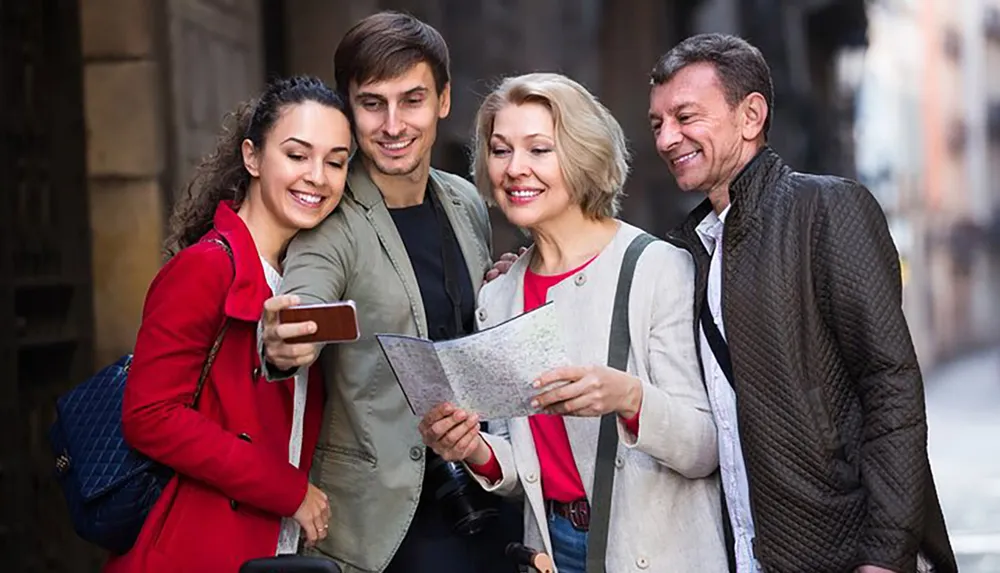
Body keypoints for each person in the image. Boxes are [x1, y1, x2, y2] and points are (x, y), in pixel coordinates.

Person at [648, 33, 957, 573]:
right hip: (743, 553)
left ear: (751, 116)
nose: (668, 138)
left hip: (842, 552)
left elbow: (890, 387)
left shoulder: (828, 209)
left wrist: (885, 555)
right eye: (658, 124)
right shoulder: (687, 249)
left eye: (686, 116)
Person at [418, 72, 727, 573]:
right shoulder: (497, 296)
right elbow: (529, 471)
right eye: (500, 150)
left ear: (582, 154)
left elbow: (704, 449)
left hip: (656, 550)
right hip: (549, 552)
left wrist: (629, 398)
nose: (516, 169)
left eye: (539, 150)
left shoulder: (656, 267)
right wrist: (474, 448)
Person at [260, 11, 521, 573]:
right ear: (348, 108)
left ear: (444, 101)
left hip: (486, 488)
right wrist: (283, 338)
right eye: (372, 102)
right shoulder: (332, 218)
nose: (393, 124)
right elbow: (303, 299)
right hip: (388, 520)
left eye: (413, 100)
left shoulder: (466, 202)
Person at [104, 76, 352, 573]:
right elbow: (149, 415)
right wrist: (288, 490)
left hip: (273, 543)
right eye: (297, 155)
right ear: (253, 157)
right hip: (200, 543)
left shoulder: (309, 277)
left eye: (336, 161)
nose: (317, 177)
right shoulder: (206, 268)